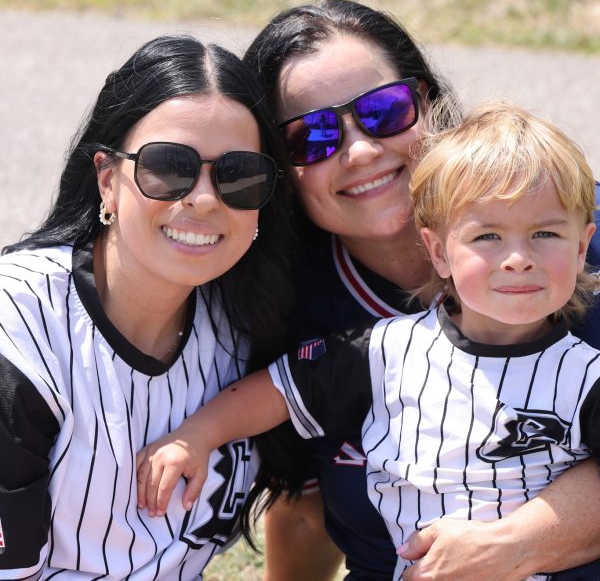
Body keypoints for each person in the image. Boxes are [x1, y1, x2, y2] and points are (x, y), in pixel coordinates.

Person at [135, 100, 600, 581]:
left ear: (583, 245)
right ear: (439, 253)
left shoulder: (589, 377)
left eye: (545, 233)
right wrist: (197, 437)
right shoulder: (383, 350)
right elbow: (279, 389)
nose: (519, 259)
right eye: (487, 237)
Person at [238, 0, 600, 581]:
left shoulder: (575, 233)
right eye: (313, 136)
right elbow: (306, 513)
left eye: (384, 111)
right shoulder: (286, 305)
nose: (359, 150)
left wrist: (514, 543)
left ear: (428, 104)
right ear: (277, 167)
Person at [0, 34, 293, 579]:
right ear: (108, 180)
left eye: (239, 174)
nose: (204, 199)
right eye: (169, 166)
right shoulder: (18, 328)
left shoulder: (244, 320)